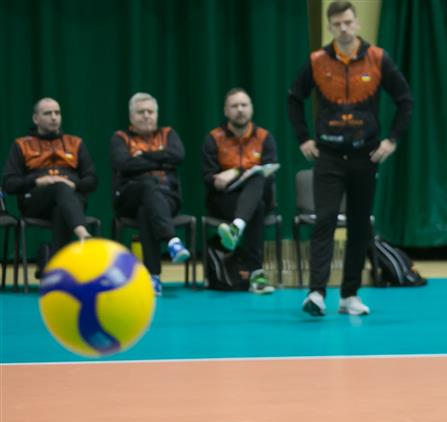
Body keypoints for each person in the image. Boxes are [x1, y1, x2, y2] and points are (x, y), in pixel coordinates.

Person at [288, 0, 413, 317]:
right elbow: (294, 98)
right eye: (337, 24)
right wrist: (303, 137)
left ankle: (349, 295)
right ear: (330, 28)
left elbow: (405, 100)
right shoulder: (317, 61)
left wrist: (391, 140)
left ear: (356, 23)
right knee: (325, 220)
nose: (343, 29)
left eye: (348, 22)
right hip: (328, 155)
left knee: (359, 225)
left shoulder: (378, 58)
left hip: (365, 156)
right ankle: (316, 293)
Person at [109, 92, 190, 296]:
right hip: (128, 196)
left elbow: (178, 155)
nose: (146, 116)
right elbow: (123, 164)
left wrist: (144, 156)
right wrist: (162, 161)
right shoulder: (120, 138)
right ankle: (172, 240)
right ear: (131, 117)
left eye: (150, 112)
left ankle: (153, 276)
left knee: (145, 210)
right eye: (141, 112)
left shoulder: (168, 134)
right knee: (146, 184)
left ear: (156, 115)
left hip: (167, 196)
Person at [2, 98, 96, 266]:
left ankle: (52, 265)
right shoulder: (21, 144)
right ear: (36, 118)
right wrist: (38, 181)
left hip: (71, 201)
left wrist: (75, 184)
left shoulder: (75, 143)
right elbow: (9, 183)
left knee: (61, 207)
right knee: (59, 187)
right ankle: (83, 235)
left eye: (57, 113)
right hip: (35, 201)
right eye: (47, 113)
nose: (54, 117)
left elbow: (92, 180)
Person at [202, 88, 279, 294]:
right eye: (234, 106)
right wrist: (217, 180)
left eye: (244, 105)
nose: (240, 110)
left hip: (259, 193)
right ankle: (256, 274)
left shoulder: (264, 137)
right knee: (256, 207)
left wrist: (237, 171)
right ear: (226, 111)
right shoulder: (214, 138)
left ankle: (236, 227)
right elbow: (207, 177)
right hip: (225, 199)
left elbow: (270, 172)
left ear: (251, 109)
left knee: (258, 179)